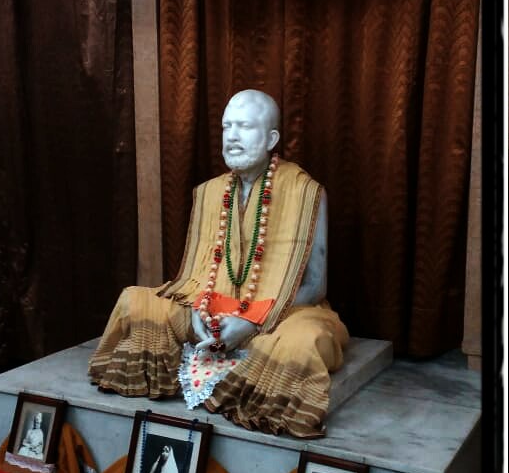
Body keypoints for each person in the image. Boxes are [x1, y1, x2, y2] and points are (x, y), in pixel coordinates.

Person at [89, 89, 349, 438]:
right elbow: (199, 277)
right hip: (213, 306)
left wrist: (252, 322)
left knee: (302, 342)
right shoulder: (210, 192)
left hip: (279, 313)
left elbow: (315, 287)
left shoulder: (306, 192)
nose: (233, 137)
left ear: (271, 138)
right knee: (136, 301)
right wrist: (197, 309)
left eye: (245, 127)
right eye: (227, 127)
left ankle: (251, 369)